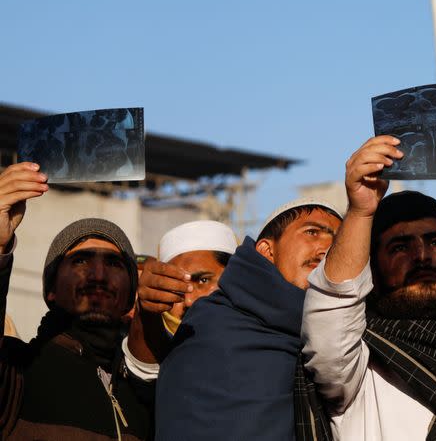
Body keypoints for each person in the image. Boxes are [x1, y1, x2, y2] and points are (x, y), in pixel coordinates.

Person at [302, 136, 436, 440]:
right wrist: (360, 212)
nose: (422, 256)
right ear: (374, 268)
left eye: (435, 242)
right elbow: (333, 314)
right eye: (400, 247)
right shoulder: (359, 364)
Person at [155, 197, 342, 441]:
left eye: (338, 241)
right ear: (267, 250)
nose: (326, 247)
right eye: (312, 232)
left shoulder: (348, 330)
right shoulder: (210, 325)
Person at [0, 161, 152, 440]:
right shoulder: (16, 372)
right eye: (80, 261)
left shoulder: (149, 392)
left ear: (131, 293)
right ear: (51, 290)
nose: (98, 274)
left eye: (114, 263)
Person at [122, 220, 238, 379]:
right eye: (175, 287)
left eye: (203, 280)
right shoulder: (161, 357)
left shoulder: (267, 344)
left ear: (234, 276)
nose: (189, 301)